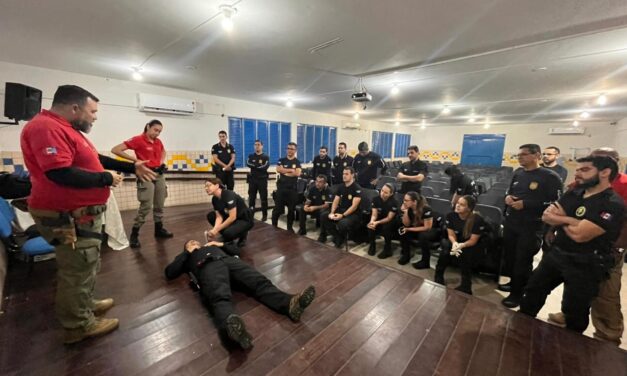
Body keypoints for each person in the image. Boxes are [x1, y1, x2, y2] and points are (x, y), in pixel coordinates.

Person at [20, 85, 156, 344]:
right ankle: (78, 325)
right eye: (92, 111)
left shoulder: (67, 129)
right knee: (76, 269)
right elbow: (59, 172)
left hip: (80, 215)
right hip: (68, 216)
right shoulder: (46, 128)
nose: (95, 116)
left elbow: (94, 157)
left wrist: (129, 165)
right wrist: (106, 178)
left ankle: (85, 305)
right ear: (74, 107)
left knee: (86, 264)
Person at [520, 156, 624, 333]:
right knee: (532, 292)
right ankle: (520, 331)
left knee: (574, 310)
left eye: (584, 170)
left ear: (605, 173)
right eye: (577, 169)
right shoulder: (575, 192)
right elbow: (547, 216)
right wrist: (575, 221)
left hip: (585, 263)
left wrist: (561, 220)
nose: (577, 174)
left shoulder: (612, 203)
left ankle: (570, 354)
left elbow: (580, 235)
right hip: (557, 254)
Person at [165, 239, 316, 349]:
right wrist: (186, 253)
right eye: (190, 243)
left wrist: (220, 244)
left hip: (229, 262)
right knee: (219, 296)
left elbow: (237, 251)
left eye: (195, 241)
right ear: (186, 247)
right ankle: (233, 330)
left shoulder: (212, 245)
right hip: (207, 266)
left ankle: (289, 304)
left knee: (259, 282)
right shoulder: (186, 257)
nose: (194, 242)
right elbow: (170, 272)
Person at [548, 148, 627, 345]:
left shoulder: (624, 184)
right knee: (574, 285)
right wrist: (553, 228)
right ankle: (568, 314)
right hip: (575, 243)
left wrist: (620, 245)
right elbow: (561, 209)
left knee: (605, 294)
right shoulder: (580, 184)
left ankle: (607, 335)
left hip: (608, 247)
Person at [499, 144, 563, 308]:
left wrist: (526, 204)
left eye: (524, 154)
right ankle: (515, 284)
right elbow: (510, 190)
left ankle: (518, 294)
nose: (520, 157)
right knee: (511, 258)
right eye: (518, 155)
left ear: (537, 156)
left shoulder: (550, 176)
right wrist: (508, 198)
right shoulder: (518, 173)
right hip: (512, 222)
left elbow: (555, 203)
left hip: (531, 226)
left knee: (523, 260)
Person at [111, 119, 173, 248]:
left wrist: (161, 161)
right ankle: (135, 233)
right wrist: (136, 160)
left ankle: (159, 229)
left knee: (159, 204)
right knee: (146, 205)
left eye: (160, 131)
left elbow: (163, 151)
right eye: (155, 130)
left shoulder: (158, 141)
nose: (157, 133)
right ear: (148, 127)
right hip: (145, 175)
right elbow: (116, 150)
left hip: (159, 174)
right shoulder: (138, 140)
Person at [434, 195, 486, 294]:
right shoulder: (451, 215)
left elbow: (473, 240)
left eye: (462, 205)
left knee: (466, 253)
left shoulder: (477, 220)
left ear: (469, 208)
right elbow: (451, 234)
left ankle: (466, 285)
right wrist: (454, 244)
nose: (457, 206)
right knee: (446, 250)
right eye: (457, 203)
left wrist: (461, 246)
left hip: (470, 244)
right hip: (456, 241)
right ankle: (438, 275)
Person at [319, 167, 362, 248]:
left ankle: (340, 238)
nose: (344, 176)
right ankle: (337, 236)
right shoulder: (341, 186)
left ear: (352, 175)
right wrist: (332, 212)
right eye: (343, 173)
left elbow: (354, 206)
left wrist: (342, 215)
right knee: (324, 216)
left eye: (346, 174)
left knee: (342, 223)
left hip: (354, 213)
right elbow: (336, 201)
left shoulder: (357, 188)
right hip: (341, 210)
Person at [205, 178, 254, 246]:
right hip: (233, 218)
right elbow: (219, 217)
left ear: (217, 186)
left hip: (244, 219)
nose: (206, 188)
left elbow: (232, 217)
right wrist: (214, 230)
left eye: (208, 185)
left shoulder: (228, 195)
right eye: (205, 186)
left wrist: (216, 230)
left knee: (228, 233)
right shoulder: (214, 199)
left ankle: (243, 234)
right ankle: (228, 234)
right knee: (211, 216)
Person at [398, 192, 440, 266]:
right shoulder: (410, 209)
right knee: (403, 231)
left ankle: (425, 261)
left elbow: (427, 227)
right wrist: (405, 211)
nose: (404, 202)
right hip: (418, 228)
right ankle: (406, 255)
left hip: (432, 230)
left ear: (414, 202)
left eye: (406, 200)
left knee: (423, 236)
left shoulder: (426, 209)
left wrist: (409, 229)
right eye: (404, 200)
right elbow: (406, 224)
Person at [271, 142, 301, 233]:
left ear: (295, 150)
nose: (289, 150)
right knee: (277, 209)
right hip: (281, 189)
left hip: (292, 190)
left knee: (291, 210)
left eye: (292, 149)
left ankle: (289, 228)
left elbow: (297, 173)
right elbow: (278, 169)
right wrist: (291, 170)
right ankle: (273, 226)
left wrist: (284, 171)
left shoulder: (297, 162)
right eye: (288, 148)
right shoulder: (282, 160)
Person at [367, 183, 399, 258]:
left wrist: (377, 222)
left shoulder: (394, 202)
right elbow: (374, 214)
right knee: (370, 226)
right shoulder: (375, 199)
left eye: (385, 192)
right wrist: (372, 222)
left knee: (386, 228)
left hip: (391, 221)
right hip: (379, 218)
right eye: (382, 191)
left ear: (391, 194)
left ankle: (388, 249)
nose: (382, 193)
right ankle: (372, 245)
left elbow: (389, 218)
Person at [246, 140, 270, 221]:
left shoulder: (265, 156)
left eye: (258, 145)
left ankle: (264, 215)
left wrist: (255, 166)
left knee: (263, 198)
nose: (257, 146)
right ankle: (251, 214)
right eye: (255, 144)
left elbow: (265, 167)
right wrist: (258, 166)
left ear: (262, 146)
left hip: (262, 180)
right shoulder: (251, 156)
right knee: (252, 198)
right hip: (252, 180)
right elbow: (248, 163)